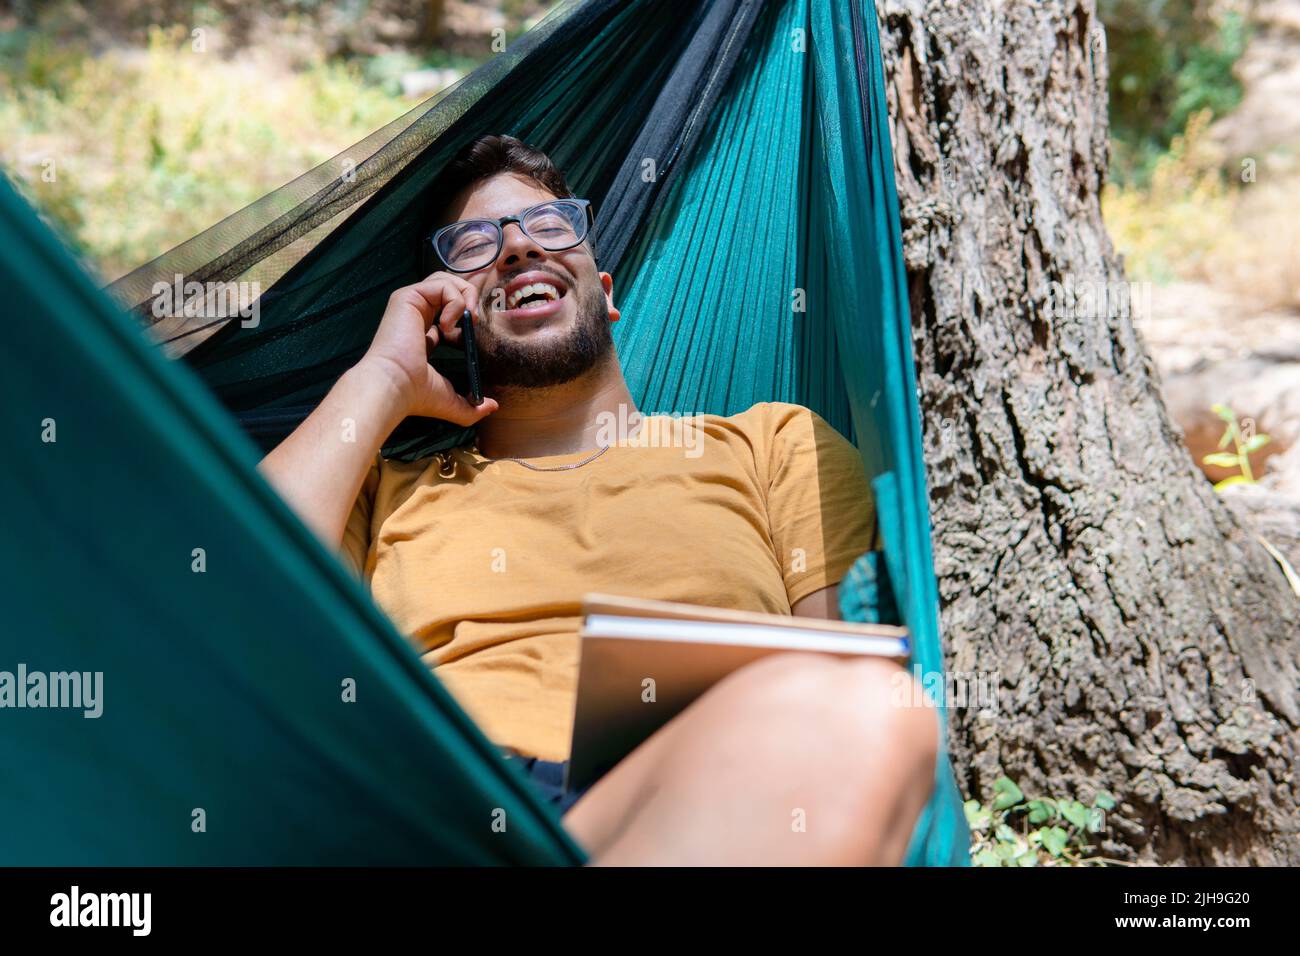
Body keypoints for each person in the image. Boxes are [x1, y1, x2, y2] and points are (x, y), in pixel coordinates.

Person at [259, 133, 938, 865]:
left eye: (549, 227)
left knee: (869, 713)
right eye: (473, 245)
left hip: (708, 794)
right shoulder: (383, 490)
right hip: (449, 809)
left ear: (606, 294)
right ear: (445, 320)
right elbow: (235, 595)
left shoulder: (772, 447)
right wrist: (384, 377)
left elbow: (836, 672)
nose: (517, 249)